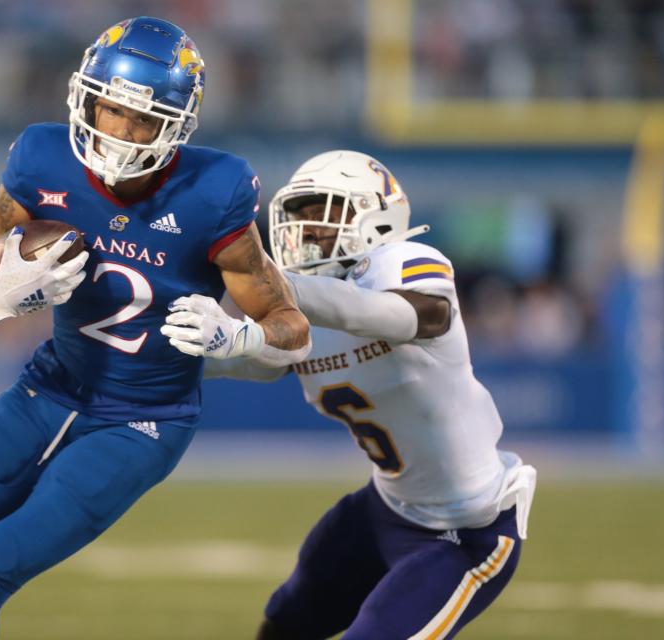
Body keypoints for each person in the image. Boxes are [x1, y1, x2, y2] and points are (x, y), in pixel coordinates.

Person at [0, 17, 310, 640]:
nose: (122, 134)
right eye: (111, 110)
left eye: (145, 120)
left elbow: (291, 329)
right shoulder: (40, 160)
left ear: (178, 126)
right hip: (47, 388)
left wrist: (238, 338)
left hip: (142, 419)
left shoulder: (212, 193)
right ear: (86, 98)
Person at [174, 150, 537, 639]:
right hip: (382, 509)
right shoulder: (299, 309)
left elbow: (391, 315)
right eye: (297, 218)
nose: (306, 232)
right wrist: (195, 340)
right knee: (285, 623)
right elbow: (244, 362)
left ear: (378, 220)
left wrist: (275, 287)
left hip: (466, 533)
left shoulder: (405, 264)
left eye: (322, 215)